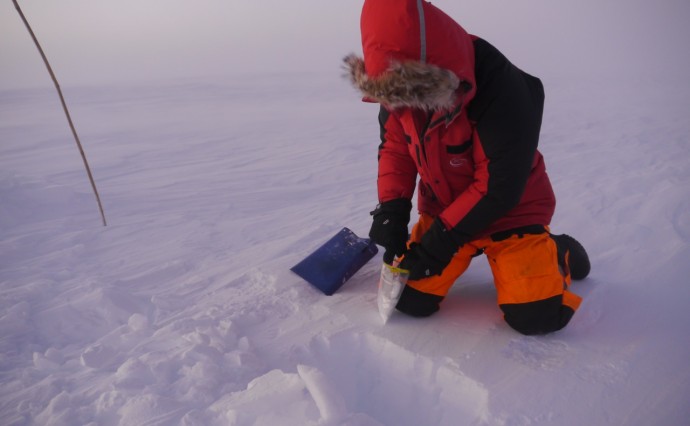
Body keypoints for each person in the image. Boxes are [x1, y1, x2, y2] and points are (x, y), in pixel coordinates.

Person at [344, 0, 590, 335]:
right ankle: (464, 249)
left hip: (511, 214)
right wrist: (392, 209)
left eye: (411, 90)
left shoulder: (498, 86)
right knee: (410, 300)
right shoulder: (395, 91)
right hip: (446, 211)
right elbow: (395, 151)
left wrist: (439, 243)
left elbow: (498, 185)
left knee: (536, 317)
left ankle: (556, 249)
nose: (402, 101)